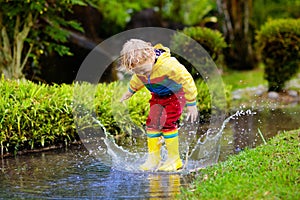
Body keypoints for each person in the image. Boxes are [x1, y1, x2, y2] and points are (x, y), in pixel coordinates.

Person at [119, 39, 198, 171]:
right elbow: (136, 80)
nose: (143, 74)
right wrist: (129, 92)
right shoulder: (140, 71)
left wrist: (191, 103)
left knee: (168, 123)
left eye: (144, 70)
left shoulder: (168, 65)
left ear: (150, 55)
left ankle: (175, 159)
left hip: (176, 95)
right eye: (138, 72)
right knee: (152, 123)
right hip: (158, 96)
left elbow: (187, 80)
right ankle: (153, 159)